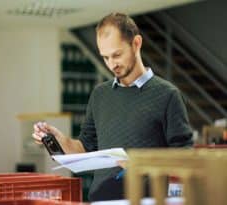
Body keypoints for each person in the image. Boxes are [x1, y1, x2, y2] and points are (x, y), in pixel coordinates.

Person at [33, 12, 193, 201]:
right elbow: (86, 147)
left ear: (136, 43)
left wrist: (141, 165)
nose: (111, 64)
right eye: (105, 57)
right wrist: (62, 141)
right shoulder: (99, 95)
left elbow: (186, 160)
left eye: (117, 55)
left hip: (145, 200)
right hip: (102, 199)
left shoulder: (168, 95)